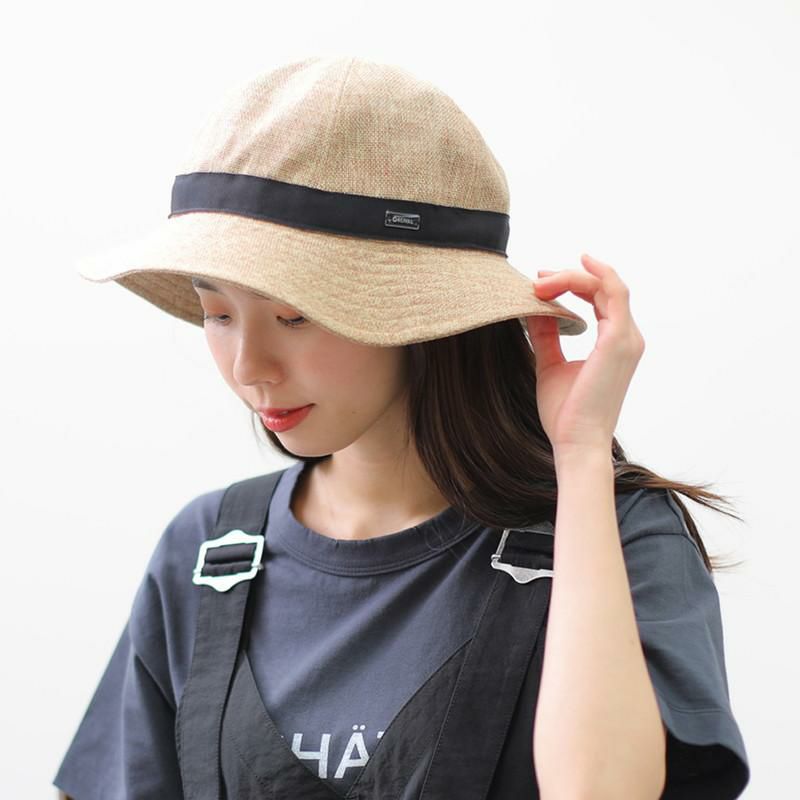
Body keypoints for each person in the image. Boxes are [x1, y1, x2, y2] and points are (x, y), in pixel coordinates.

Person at [53, 55, 750, 799]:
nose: (250, 366)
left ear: (422, 319)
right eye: (217, 313)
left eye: (294, 315)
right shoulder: (205, 552)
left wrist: (579, 458)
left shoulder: (617, 534)